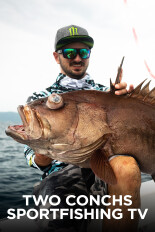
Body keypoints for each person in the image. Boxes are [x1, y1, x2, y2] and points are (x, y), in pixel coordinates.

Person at [24, 25, 141, 232]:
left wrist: (129, 105)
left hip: (104, 172)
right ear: (56, 56)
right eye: (69, 52)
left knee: (127, 167)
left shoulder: (108, 94)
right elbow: (32, 159)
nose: (77, 58)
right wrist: (41, 152)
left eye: (83, 52)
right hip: (60, 178)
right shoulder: (38, 101)